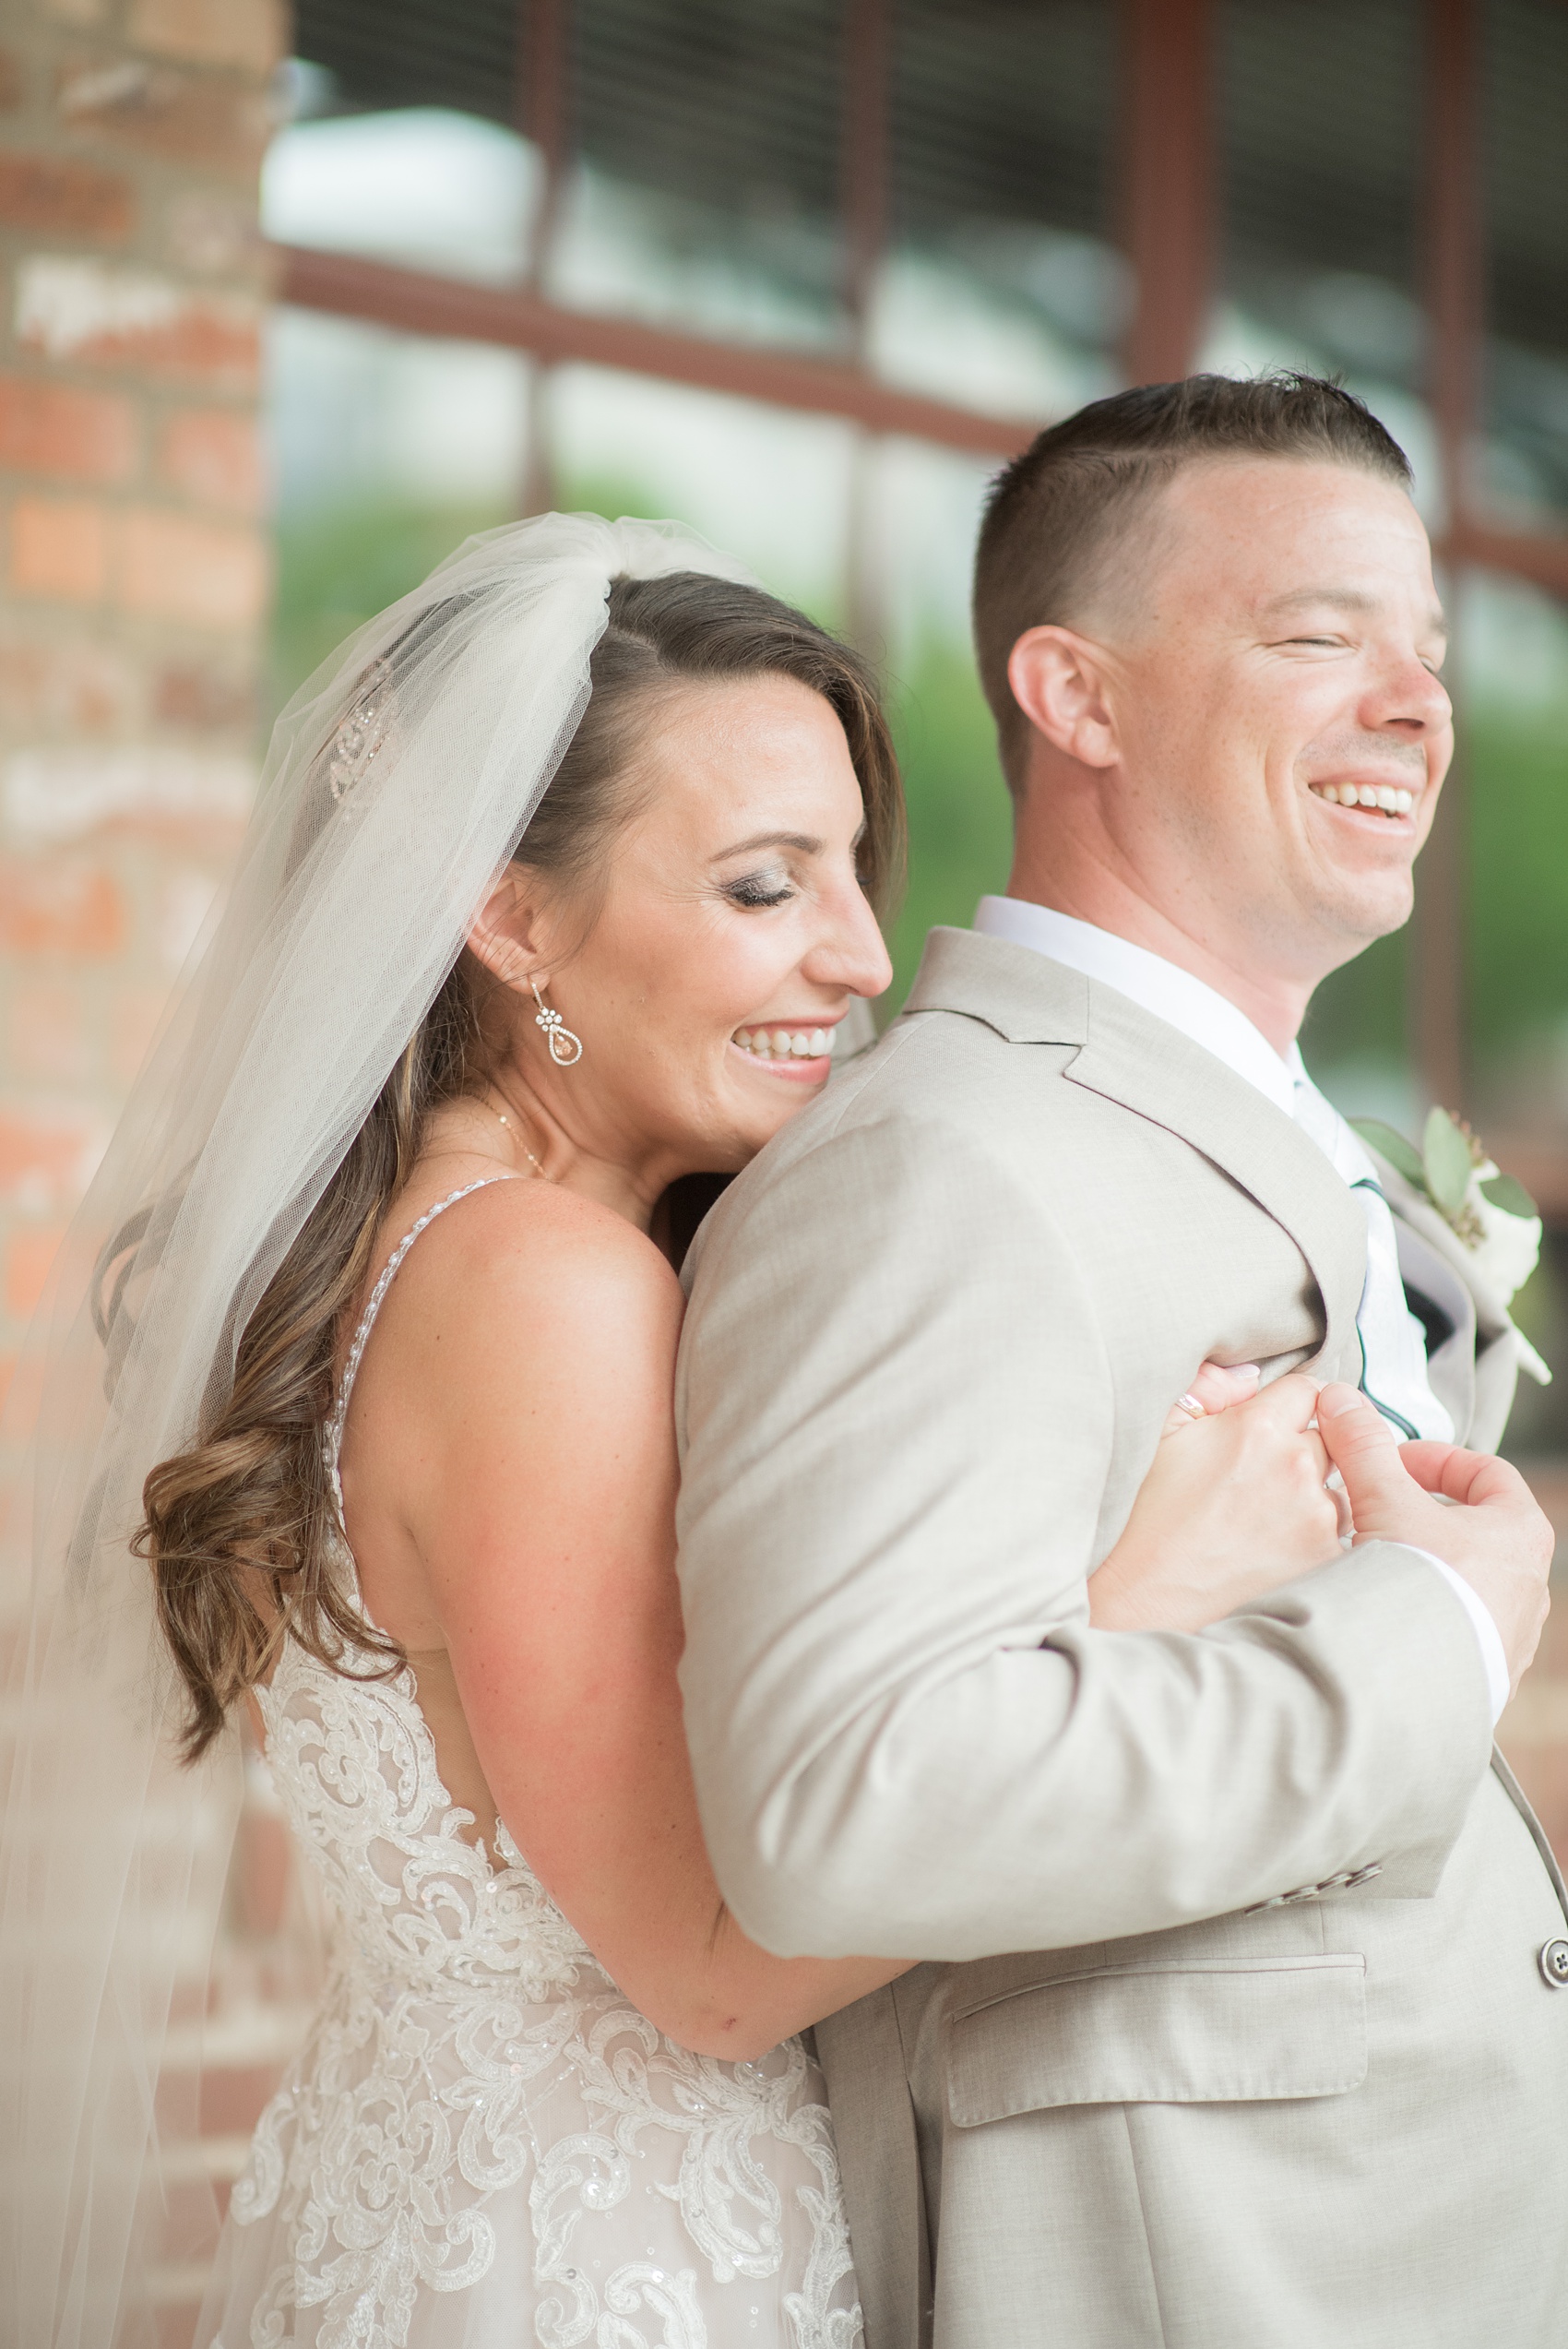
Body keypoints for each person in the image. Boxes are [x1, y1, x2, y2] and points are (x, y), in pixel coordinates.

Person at [0, 511, 1348, 2349]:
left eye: (853, 873)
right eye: (760, 886)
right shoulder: (538, 1292)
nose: (864, 954)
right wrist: (1140, 1597)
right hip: (614, 2274)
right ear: (512, 915)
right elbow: (709, 1974)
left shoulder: (442, 1261)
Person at [672, 376, 1565, 2349]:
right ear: (1074, 698)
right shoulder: (935, 1164)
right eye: (1318, 637)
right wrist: (1434, 1631)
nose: (1415, 704)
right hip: (1193, 2272)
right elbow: (845, 1807)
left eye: (1422, 649)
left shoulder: (1278, 1125)